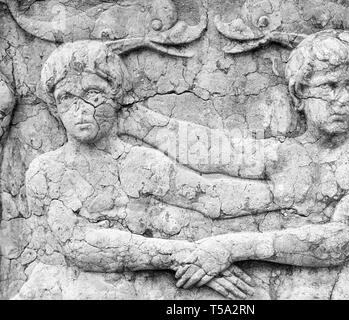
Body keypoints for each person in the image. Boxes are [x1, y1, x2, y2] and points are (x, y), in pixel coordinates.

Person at [122, 30, 349, 289]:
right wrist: (137, 122)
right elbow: (214, 152)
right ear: (299, 96)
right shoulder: (287, 154)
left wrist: (228, 247)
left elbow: (336, 243)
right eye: (329, 86)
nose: (342, 99)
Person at [20, 40, 273, 299]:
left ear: (116, 97)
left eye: (93, 94)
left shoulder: (140, 162)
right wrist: (186, 255)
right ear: (54, 106)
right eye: (66, 98)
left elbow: (208, 196)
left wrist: (281, 195)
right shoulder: (46, 170)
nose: (81, 109)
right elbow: (78, 245)